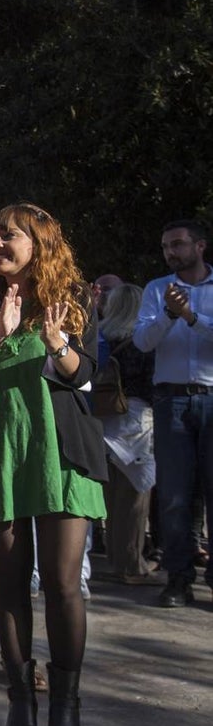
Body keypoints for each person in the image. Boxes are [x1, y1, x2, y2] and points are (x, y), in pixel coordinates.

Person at [0, 202, 106, 726]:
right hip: (0, 452)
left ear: (37, 241)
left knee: (64, 584)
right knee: (10, 583)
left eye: (7, 234)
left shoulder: (74, 296)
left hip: (60, 453)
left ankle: (66, 706)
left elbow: (85, 374)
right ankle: (21, 699)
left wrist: (57, 341)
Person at [133, 219, 213, 608]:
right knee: (174, 493)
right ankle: (178, 577)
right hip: (172, 401)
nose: (171, 252)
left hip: (212, 396)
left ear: (200, 246)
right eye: (166, 246)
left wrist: (192, 318)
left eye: (178, 244)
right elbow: (142, 341)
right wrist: (169, 312)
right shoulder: (156, 290)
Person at [94, 284, 158, 584]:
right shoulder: (142, 341)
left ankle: (113, 560)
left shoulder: (101, 336)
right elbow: (150, 385)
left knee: (111, 496)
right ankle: (132, 564)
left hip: (104, 419)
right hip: (136, 423)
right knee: (135, 497)